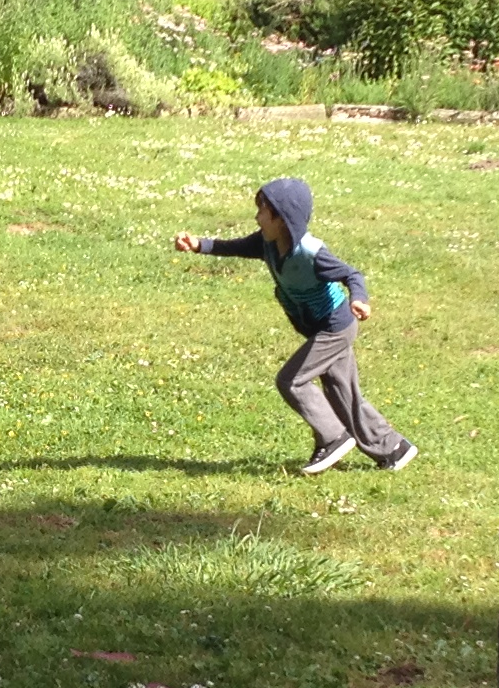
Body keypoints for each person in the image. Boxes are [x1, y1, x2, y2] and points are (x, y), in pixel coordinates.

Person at [174, 176, 415, 475]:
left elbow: (353, 274)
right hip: (320, 328)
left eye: (263, 211)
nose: (257, 216)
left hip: (336, 327)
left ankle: (333, 436)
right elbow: (234, 246)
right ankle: (393, 448)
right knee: (343, 392)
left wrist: (360, 300)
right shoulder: (268, 243)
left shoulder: (311, 253)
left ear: (282, 218)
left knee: (292, 380)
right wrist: (199, 245)